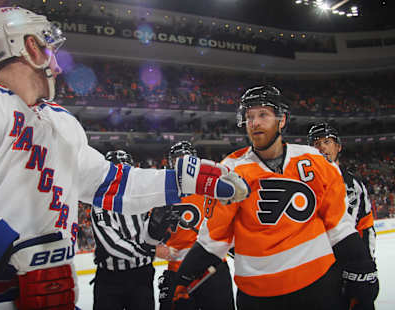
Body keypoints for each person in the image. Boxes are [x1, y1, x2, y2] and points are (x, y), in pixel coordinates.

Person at [0, 7, 248, 309]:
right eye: (50, 49)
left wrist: (182, 180)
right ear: (30, 47)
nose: (58, 65)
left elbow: (112, 184)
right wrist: (16, 253)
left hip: (52, 295)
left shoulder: (60, 123)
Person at [169, 86, 378, 310]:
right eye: (249, 117)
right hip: (258, 297)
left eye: (263, 115)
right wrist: (182, 280)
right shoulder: (230, 170)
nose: (255, 122)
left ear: (281, 120)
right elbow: (214, 240)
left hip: (320, 287)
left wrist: (361, 264)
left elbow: (338, 226)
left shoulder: (315, 160)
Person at [144, 141, 235, 310]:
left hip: (212, 267)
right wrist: (156, 248)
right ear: (170, 163)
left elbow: (228, 222)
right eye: (177, 160)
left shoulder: (211, 186)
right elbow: (149, 235)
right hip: (178, 269)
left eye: (185, 160)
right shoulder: (161, 192)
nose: (181, 165)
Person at [91, 150, 156, 310]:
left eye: (125, 171)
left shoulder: (143, 196)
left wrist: (158, 233)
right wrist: (147, 251)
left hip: (141, 275)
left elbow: (149, 230)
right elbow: (111, 244)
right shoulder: (99, 201)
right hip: (111, 278)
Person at [307, 123, 376, 260]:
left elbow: (365, 225)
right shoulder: (302, 184)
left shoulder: (356, 185)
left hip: (350, 261)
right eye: (316, 144)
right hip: (316, 265)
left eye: (327, 141)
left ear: (338, 146)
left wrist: (368, 261)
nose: (322, 147)